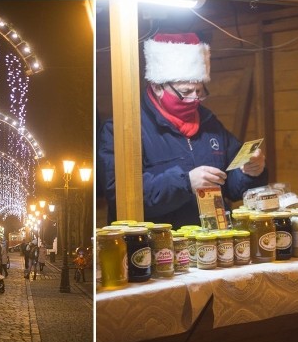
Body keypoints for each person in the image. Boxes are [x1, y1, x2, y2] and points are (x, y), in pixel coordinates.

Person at [99, 32, 268, 228]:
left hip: (210, 243)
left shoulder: (210, 124)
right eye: (185, 92)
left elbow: (232, 186)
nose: (194, 99)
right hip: (154, 250)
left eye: (199, 91)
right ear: (157, 87)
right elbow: (121, 196)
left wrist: (250, 172)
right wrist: (185, 183)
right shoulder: (123, 130)